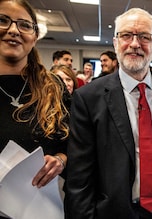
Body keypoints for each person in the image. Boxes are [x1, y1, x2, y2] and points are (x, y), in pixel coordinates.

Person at [64, 7, 152, 219]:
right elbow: (79, 176)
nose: (135, 44)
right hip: (114, 211)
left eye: (144, 37)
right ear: (115, 43)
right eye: (126, 35)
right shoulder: (89, 97)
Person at [0, 0, 70, 217]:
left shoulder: (54, 87)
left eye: (24, 25)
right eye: (3, 21)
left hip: (41, 207)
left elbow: (77, 143)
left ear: (35, 35)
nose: (13, 30)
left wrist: (60, 160)